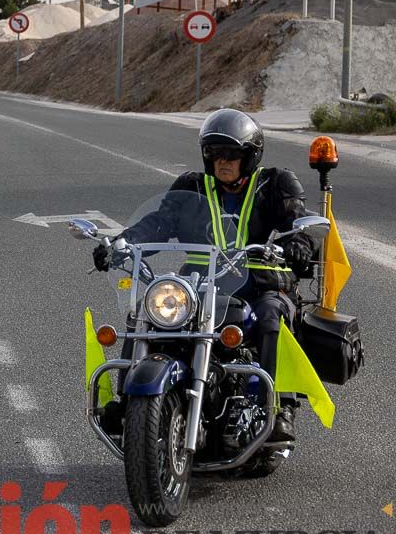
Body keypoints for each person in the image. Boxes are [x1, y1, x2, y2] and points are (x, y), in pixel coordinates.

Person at [92, 109, 317, 442]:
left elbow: (299, 219)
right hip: (200, 286)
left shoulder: (275, 184)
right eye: (213, 153)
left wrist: (300, 243)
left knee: (271, 316)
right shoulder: (191, 185)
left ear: (249, 155)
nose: (221, 161)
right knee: (147, 309)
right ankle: (129, 403)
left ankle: (277, 406)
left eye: (231, 154)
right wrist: (121, 243)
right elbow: (158, 222)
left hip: (261, 287)